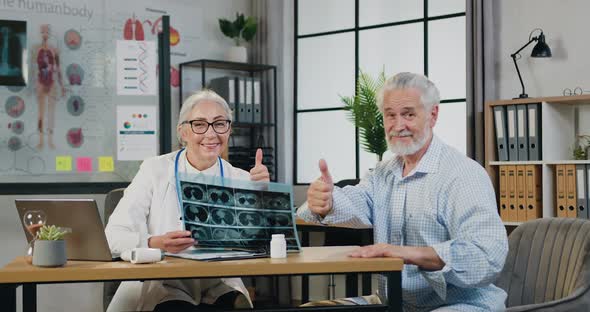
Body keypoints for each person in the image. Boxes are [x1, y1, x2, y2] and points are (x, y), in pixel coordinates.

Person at [299, 72, 508, 311]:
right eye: (390, 115)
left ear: (433, 115)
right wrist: (326, 201)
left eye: (408, 114)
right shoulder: (383, 173)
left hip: (462, 304)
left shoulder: (463, 175)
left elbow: (487, 257)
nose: (398, 126)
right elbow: (353, 202)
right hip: (396, 304)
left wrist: (406, 254)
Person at [105, 90, 270, 311]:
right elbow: (112, 237)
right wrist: (156, 243)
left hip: (218, 284)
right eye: (199, 124)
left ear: (229, 130)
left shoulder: (242, 179)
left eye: (219, 124)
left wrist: (263, 197)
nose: (211, 134)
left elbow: (267, 246)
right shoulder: (154, 170)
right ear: (182, 132)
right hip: (162, 283)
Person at [34, 24, 66, 149]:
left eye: (46, 32)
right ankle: (41, 140)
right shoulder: (36, 49)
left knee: (51, 113)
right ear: (40, 33)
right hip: (40, 82)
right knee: (40, 113)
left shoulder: (54, 50)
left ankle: (50, 140)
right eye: (42, 32)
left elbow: (58, 69)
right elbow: (33, 68)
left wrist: (62, 85)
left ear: (50, 33)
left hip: (52, 83)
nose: (44, 34)